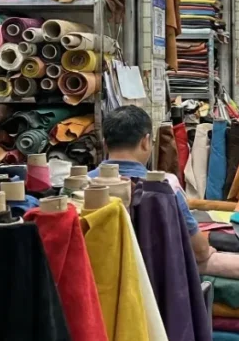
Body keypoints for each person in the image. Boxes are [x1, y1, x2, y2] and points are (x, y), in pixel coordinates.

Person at [89, 106, 212, 266]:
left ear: (105, 144)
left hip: (95, 276)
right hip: (150, 279)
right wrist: (209, 250)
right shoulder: (165, 188)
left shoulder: (81, 184)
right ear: (145, 142)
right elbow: (200, 251)